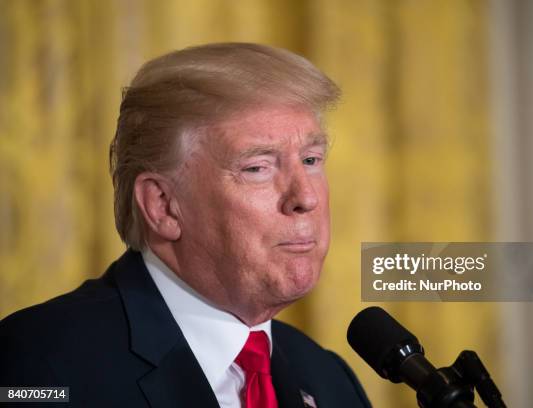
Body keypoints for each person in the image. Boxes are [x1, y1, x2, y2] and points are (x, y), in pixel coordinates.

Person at [0, 43, 372, 408]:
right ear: (163, 206)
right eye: (257, 168)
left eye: (310, 159)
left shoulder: (329, 380)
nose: (305, 198)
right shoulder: (39, 365)